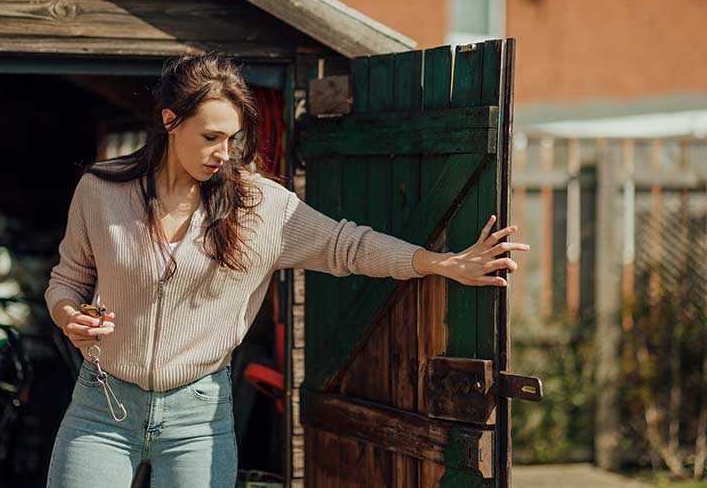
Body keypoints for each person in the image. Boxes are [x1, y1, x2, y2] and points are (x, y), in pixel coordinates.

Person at [44, 52, 529, 488]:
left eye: (233, 139)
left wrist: (439, 262)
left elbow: (348, 245)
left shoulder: (261, 207)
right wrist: (70, 318)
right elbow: (67, 281)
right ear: (170, 121)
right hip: (102, 407)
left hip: (197, 416)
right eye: (211, 137)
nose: (224, 153)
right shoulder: (101, 190)